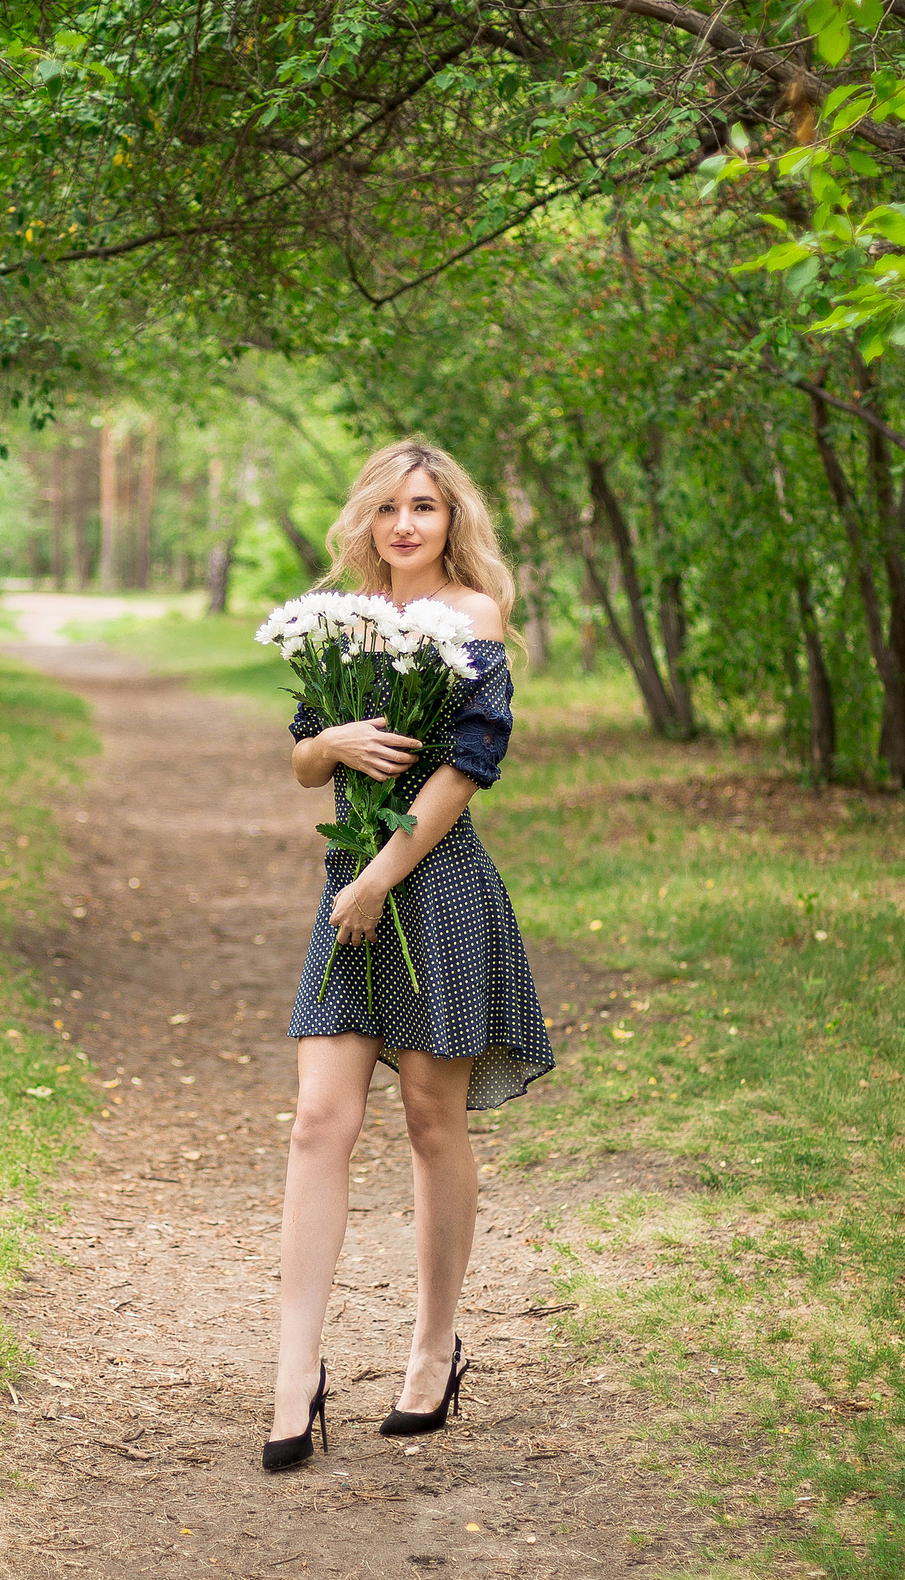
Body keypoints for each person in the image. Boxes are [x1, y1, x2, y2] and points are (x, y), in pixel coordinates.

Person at [265, 439, 557, 1473]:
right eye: (388, 508)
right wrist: (333, 744)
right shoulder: (343, 614)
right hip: (345, 887)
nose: (404, 526)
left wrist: (380, 876)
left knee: (433, 1122)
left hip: (425, 888)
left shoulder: (472, 619)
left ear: (449, 521)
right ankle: (294, 1374)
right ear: (366, 519)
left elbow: (468, 767)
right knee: (316, 1123)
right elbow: (303, 759)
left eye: (424, 508)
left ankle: (434, 1349)